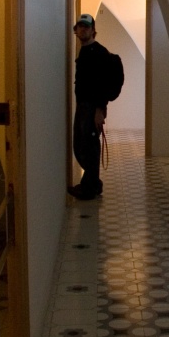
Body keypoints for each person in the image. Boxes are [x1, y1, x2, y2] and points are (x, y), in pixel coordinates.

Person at [68, 13, 111, 200]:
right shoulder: (84, 51)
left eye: (87, 26)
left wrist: (100, 111)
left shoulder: (99, 52)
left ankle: (89, 188)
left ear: (94, 30)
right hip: (83, 106)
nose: (83, 29)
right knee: (82, 145)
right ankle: (93, 184)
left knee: (89, 147)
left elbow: (103, 84)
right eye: (80, 26)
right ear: (75, 30)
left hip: (92, 108)